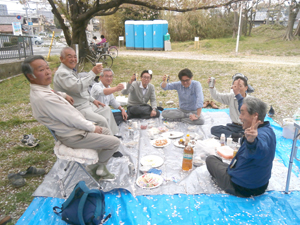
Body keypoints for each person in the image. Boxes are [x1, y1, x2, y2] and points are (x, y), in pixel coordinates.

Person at [22, 55, 120, 180]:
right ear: (31, 76)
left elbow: (53, 92)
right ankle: (96, 169)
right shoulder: (46, 97)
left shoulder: (42, 89)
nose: (47, 72)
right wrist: (91, 127)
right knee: (115, 142)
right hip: (74, 135)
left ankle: (100, 166)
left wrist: (63, 95)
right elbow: (72, 118)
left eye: (47, 68)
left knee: (106, 130)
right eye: (41, 70)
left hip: (76, 125)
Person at [206, 96, 276, 197]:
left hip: (242, 187)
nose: (240, 117)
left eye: (243, 113)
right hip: (261, 185)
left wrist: (252, 142)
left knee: (211, 159)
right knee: (222, 161)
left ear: (255, 116)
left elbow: (259, 149)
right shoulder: (269, 130)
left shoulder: (259, 137)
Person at [53, 47, 118, 135]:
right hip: (78, 108)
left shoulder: (70, 70)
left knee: (106, 109)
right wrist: (92, 73)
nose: (73, 59)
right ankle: (109, 144)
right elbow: (78, 87)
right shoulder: (62, 73)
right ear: (62, 59)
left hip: (86, 104)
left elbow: (82, 91)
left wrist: (93, 100)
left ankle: (114, 135)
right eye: (69, 56)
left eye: (75, 56)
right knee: (101, 120)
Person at [209, 76, 248, 140]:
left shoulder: (250, 100)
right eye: (235, 86)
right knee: (214, 129)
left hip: (245, 127)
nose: (237, 89)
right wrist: (212, 87)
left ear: (246, 88)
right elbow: (217, 96)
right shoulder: (231, 97)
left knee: (250, 135)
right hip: (233, 126)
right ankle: (235, 136)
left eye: (240, 86)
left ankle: (234, 137)